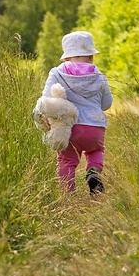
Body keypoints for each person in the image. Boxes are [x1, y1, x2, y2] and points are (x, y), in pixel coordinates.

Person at [39, 31, 113, 195]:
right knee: (96, 151)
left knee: (67, 161)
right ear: (91, 56)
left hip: (70, 127)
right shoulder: (98, 75)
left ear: (66, 57)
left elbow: (47, 99)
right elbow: (107, 103)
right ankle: (93, 173)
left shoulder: (56, 73)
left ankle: (68, 195)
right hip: (95, 126)